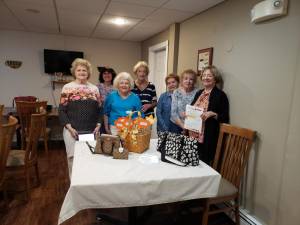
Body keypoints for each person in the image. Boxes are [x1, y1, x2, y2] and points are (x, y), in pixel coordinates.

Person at [59, 58, 101, 176]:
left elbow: (100, 109)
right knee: (73, 160)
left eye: (84, 70)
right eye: (79, 70)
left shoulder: (94, 89)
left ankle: (86, 184)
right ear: (74, 72)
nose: (82, 72)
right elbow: (62, 110)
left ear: (88, 73)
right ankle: (74, 186)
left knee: (88, 158)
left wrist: (98, 125)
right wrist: (69, 128)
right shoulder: (67, 87)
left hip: (91, 131)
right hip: (73, 131)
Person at [189, 65, 229, 164]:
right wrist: (188, 112)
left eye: (209, 76)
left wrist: (213, 114)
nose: (206, 78)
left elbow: (225, 118)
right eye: (204, 75)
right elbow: (193, 108)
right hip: (193, 134)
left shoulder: (220, 95)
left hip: (207, 137)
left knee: (203, 165)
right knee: (191, 163)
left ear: (215, 78)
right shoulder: (199, 93)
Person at [171, 69, 199, 133]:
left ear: (194, 81)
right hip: (176, 125)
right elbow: (173, 113)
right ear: (182, 80)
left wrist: (188, 128)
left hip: (192, 127)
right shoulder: (176, 92)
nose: (188, 81)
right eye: (186, 78)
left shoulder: (198, 92)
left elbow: (198, 110)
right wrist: (183, 126)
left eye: (191, 79)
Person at [97, 67, 117, 133]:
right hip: (99, 115)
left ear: (112, 75)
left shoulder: (116, 88)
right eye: (104, 73)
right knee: (101, 137)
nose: (106, 75)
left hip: (112, 116)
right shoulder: (97, 87)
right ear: (101, 76)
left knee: (112, 136)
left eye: (109, 73)